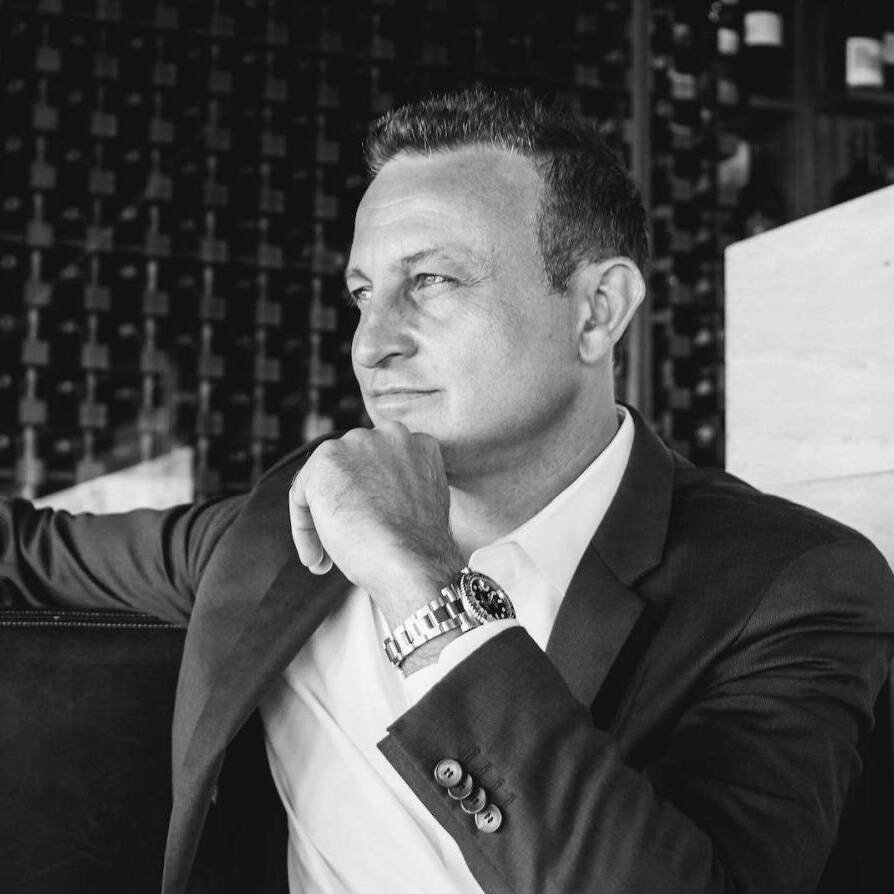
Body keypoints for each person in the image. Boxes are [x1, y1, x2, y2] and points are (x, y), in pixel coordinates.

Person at [2, 87, 894, 894]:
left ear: (597, 311)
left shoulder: (790, 583)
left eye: (430, 281)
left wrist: (421, 585)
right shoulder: (283, 524)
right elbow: (28, 549)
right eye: (362, 294)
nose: (371, 344)